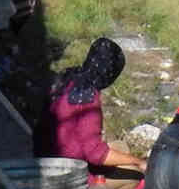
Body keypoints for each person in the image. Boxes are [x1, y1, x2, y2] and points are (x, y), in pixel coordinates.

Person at [42, 36, 147, 171]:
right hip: (67, 168)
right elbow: (94, 153)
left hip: (44, 155)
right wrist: (138, 162)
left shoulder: (68, 76)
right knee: (133, 170)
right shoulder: (87, 97)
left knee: (119, 146)